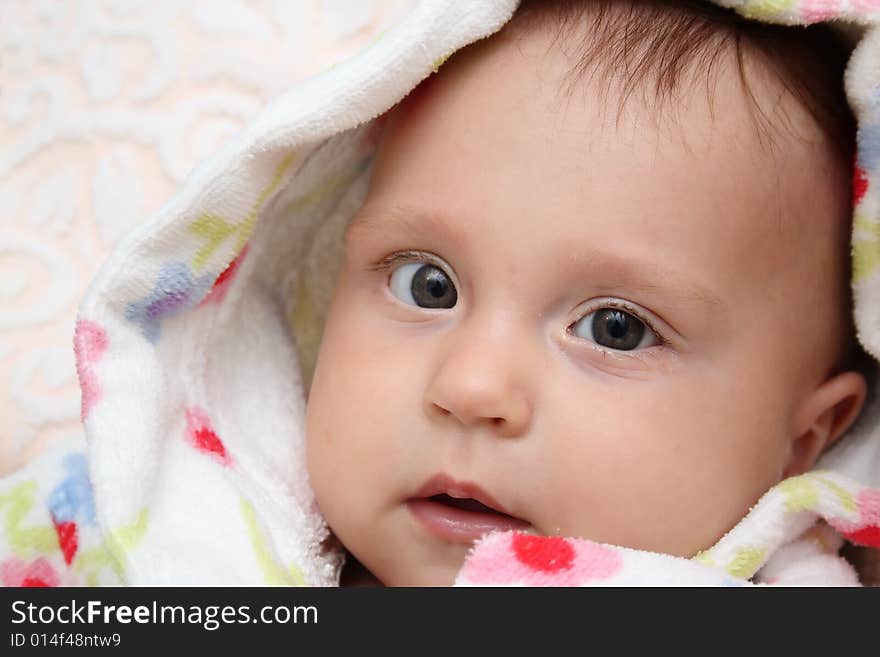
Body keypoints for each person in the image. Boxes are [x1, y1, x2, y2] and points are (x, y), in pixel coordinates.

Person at [2, 0, 879, 587]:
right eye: (429, 284)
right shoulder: (133, 510)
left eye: (614, 327)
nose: (470, 387)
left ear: (802, 437)